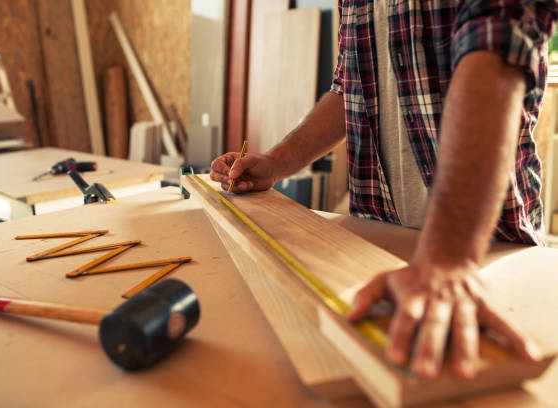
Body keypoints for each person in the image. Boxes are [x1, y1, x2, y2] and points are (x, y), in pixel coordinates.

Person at [211, 1, 558, 380]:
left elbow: (496, 51)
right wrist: (275, 162)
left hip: (482, 248)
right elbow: (348, 89)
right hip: (378, 232)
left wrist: (447, 258)